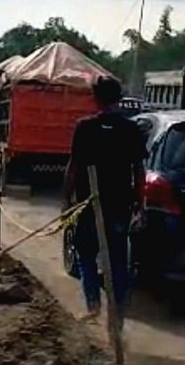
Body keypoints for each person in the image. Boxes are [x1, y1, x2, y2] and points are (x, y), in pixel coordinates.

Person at [62, 76, 146, 325]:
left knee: (86, 255)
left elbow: (73, 167)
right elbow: (139, 171)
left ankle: (94, 304)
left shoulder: (85, 128)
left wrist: (65, 202)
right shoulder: (131, 130)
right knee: (118, 261)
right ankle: (117, 313)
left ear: (95, 98)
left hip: (88, 204)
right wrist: (140, 204)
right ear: (119, 98)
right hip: (119, 207)